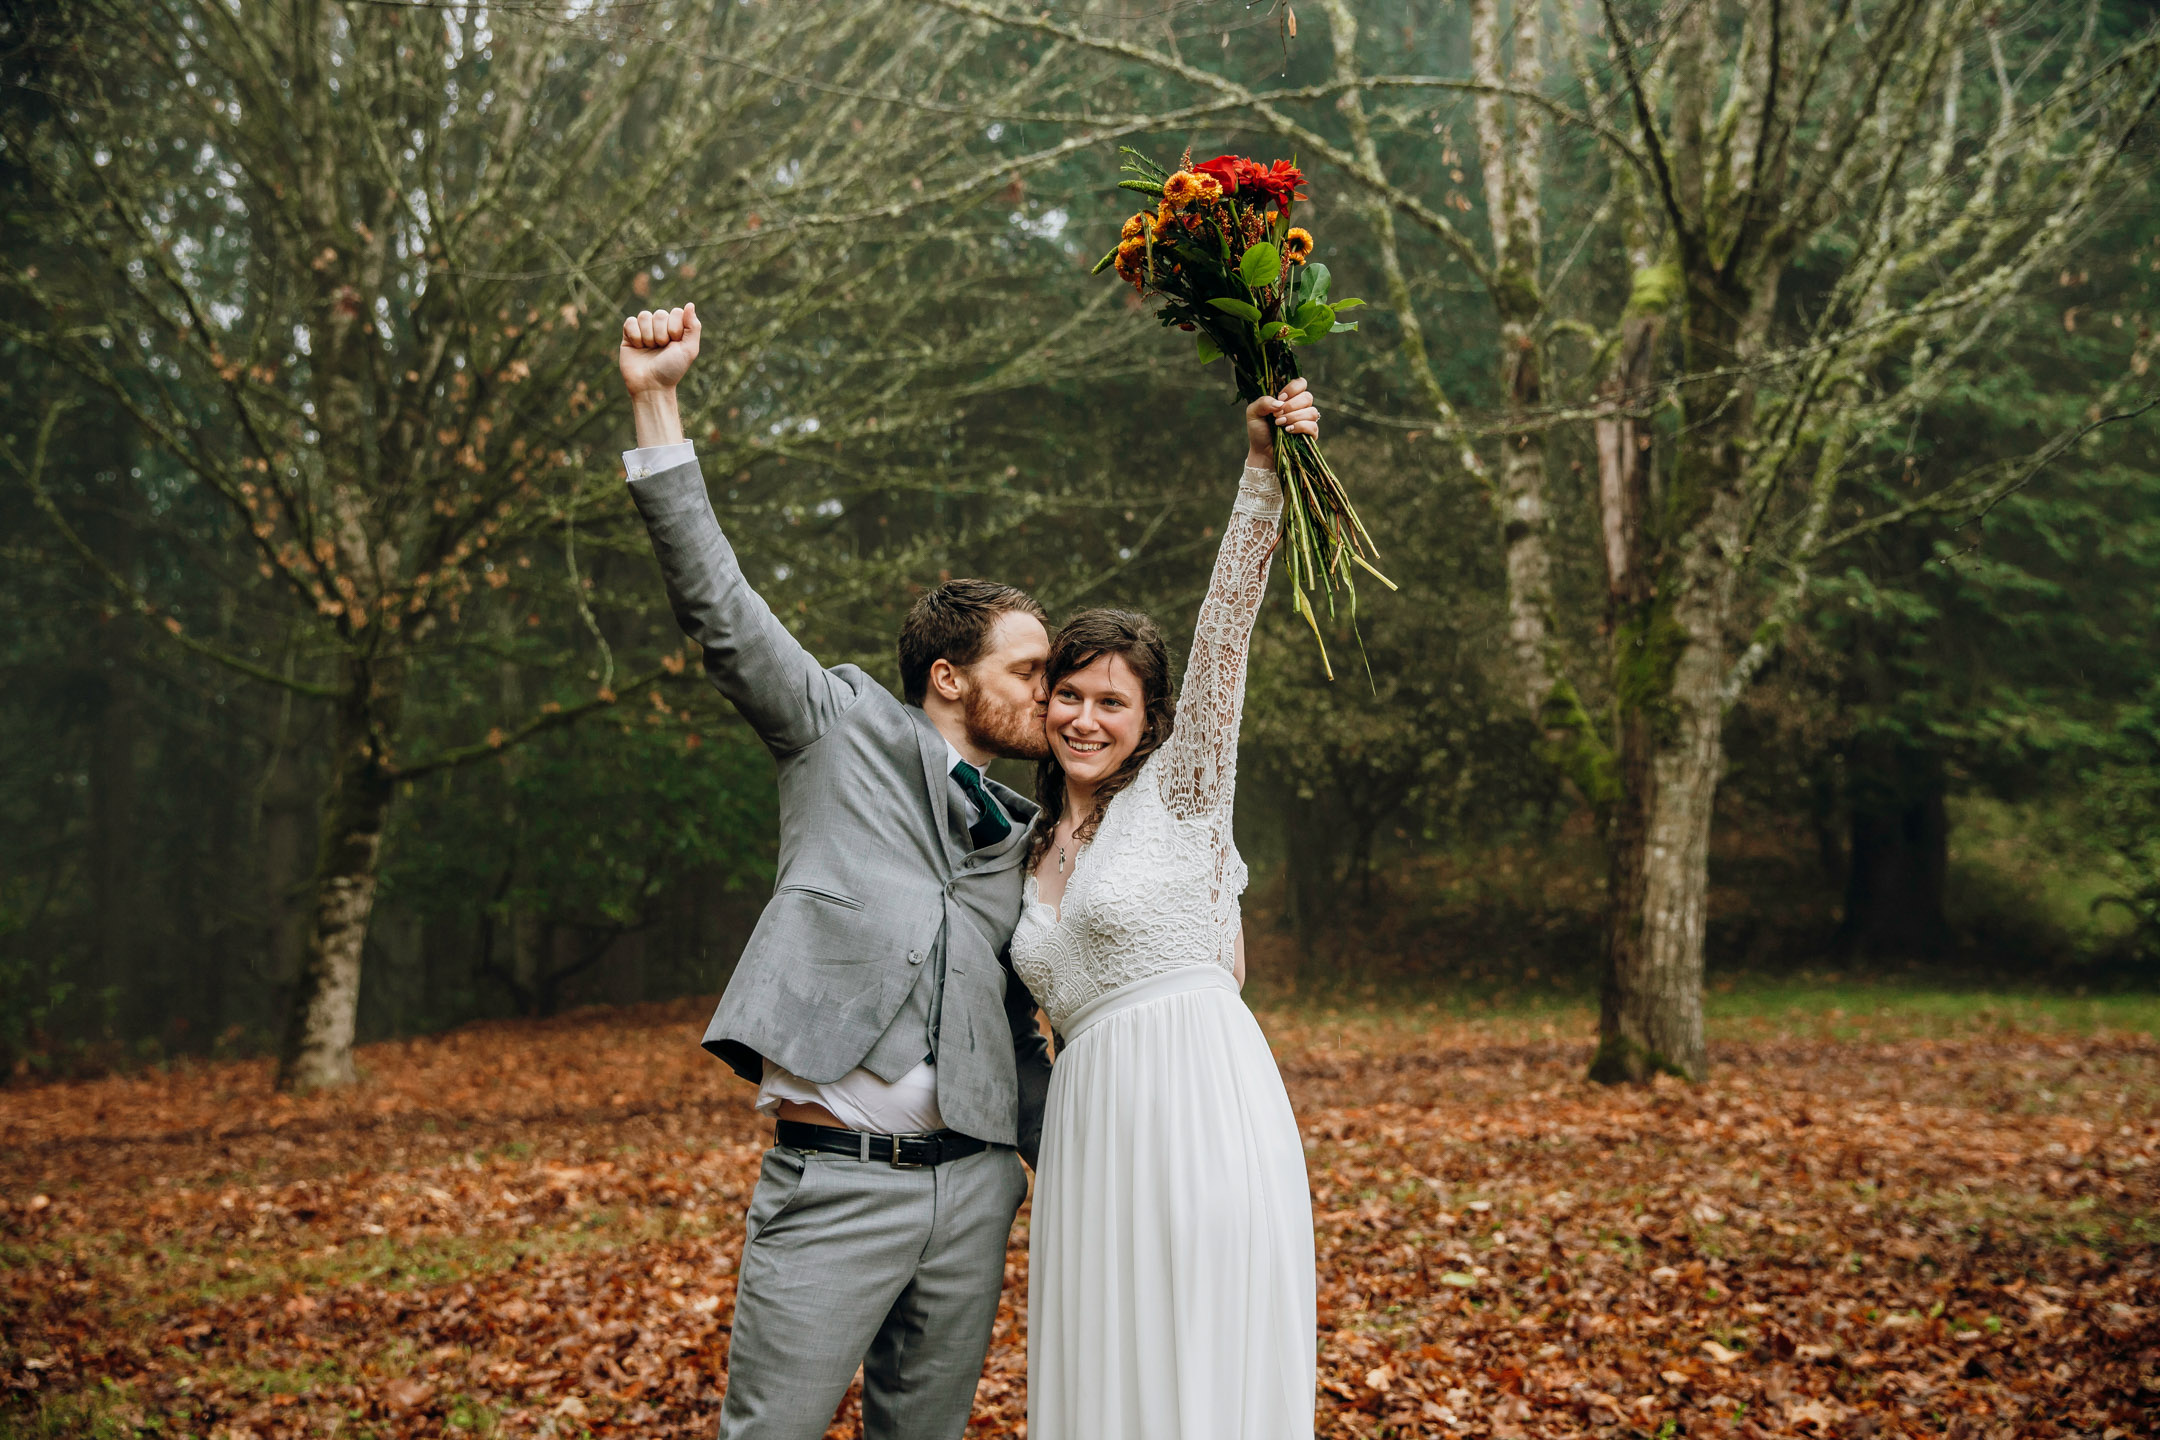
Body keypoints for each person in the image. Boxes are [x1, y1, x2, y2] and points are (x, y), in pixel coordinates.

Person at [614, 300, 1052, 1440]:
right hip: (837, 1178)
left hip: (973, 1194)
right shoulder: (835, 726)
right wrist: (656, 397)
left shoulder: (1023, 832)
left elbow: (1011, 1029)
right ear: (950, 679)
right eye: (1031, 669)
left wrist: (1063, 1169)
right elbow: (721, 609)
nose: (1049, 697)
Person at [1009, 380, 1320, 1438]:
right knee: (1106, 1378)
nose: (1084, 718)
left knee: (1196, 1366)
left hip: (1197, 1110)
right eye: (1068, 694)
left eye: (1111, 702)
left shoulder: (1183, 794)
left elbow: (1226, 627)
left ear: (1150, 721)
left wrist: (1262, 477)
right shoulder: (1028, 845)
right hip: (1090, 1137)